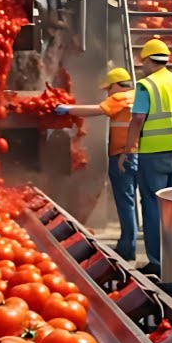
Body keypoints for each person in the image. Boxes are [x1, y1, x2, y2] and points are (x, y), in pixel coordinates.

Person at [54, 68, 139, 260]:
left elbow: (97, 110)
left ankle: (127, 248)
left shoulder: (119, 98)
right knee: (132, 201)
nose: (108, 93)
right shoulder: (137, 96)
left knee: (125, 202)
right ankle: (130, 243)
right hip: (138, 153)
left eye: (108, 88)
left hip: (121, 155)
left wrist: (68, 109)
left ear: (116, 85)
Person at [126, 39, 172, 275]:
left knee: (153, 206)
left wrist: (130, 148)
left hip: (153, 152)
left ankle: (157, 262)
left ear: (147, 61)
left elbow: (137, 118)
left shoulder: (146, 85)